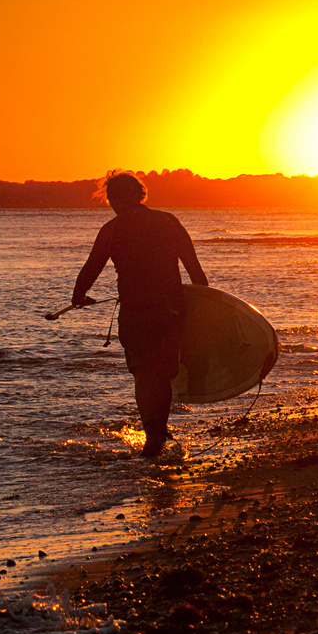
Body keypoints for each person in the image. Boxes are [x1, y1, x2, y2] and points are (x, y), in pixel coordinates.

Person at [71, 171, 208, 459]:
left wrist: (78, 296)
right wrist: (202, 309)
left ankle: (153, 433)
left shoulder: (112, 230)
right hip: (166, 312)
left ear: (138, 194)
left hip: (142, 314)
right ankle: (157, 432)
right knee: (158, 373)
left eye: (120, 196)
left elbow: (90, 270)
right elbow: (195, 271)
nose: (115, 203)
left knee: (146, 374)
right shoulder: (168, 222)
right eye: (111, 198)